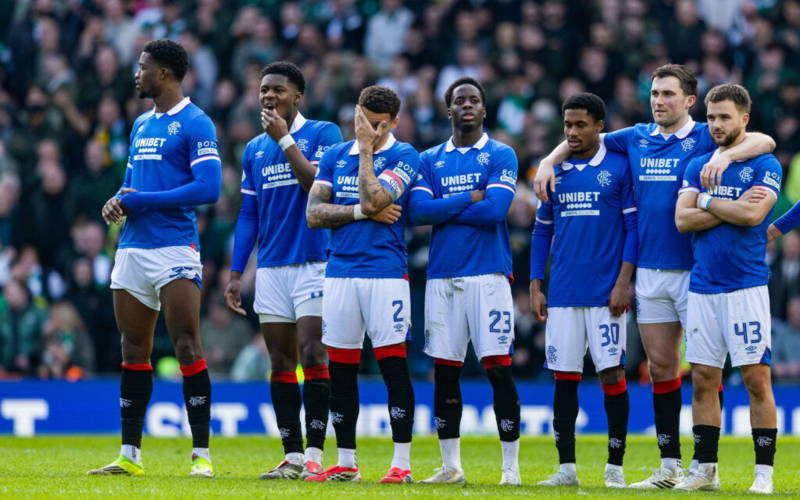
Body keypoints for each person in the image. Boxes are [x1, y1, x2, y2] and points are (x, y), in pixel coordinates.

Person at [533, 64, 775, 488]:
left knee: (706, 370)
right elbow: (582, 137)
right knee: (662, 369)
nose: (659, 101)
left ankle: (707, 465)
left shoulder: (707, 134)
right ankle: (669, 466)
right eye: (655, 94)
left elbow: (764, 140)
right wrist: (549, 161)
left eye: (667, 94)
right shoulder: (636, 137)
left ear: (689, 101)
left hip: (696, 272)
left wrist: (730, 155)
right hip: (649, 271)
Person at [88, 39, 221, 478]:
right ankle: (129, 454)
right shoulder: (141, 124)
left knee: (186, 343)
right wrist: (118, 200)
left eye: (142, 67)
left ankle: (201, 454)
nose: (136, 74)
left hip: (173, 247)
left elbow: (209, 189)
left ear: (163, 74)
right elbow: (132, 185)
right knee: (133, 348)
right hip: (132, 247)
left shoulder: (197, 123)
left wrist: (142, 201)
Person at [225, 61, 343, 480]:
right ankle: (292, 455)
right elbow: (249, 216)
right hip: (272, 268)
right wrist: (238, 272)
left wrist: (287, 140)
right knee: (279, 361)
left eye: (277, 89)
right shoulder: (254, 149)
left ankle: (315, 454)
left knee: (313, 352)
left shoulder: (324, 134)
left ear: (298, 96)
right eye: (263, 91)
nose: (268, 97)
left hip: (315, 261)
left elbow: (318, 187)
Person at [407, 77, 521, 486]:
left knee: (498, 369)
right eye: (460, 101)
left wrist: (446, 207)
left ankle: (511, 468)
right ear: (448, 110)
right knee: (446, 370)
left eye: (474, 99)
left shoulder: (501, 153)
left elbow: (496, 210)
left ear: (484, 109)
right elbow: (418, 213)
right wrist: (468, 198)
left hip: (488, 276)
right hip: (443, 277)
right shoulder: (429, 159)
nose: (467, 105)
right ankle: (451, 467)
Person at [304, 86, 418, 483]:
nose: (366, 129)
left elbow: (377, 198)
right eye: (362, 119)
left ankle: (401, 464)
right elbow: (315, 214)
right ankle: (347, 462)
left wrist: (368, 152)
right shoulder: (334, 156)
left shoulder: (405, 155)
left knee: (392, 367)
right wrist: (359, 212)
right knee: (340, 370)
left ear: (394, 124)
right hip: (339, 273)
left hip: (385, 273)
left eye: (377, 124)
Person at [674, 83, 779, 494]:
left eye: (724, 117)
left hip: (746, 287)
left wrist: (705, 202)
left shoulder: (765, 163)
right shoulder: (696, 164)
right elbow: (682, 221)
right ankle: (705, 471)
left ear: (743, 120)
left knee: (756, 379)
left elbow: (755, 215)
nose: (716, 124)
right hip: (702, 288)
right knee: (702, 377)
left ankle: (764, 474)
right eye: (711, 117)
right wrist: (721, 206)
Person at [530, 93, 637, 488]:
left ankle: (615, 467)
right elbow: (542, 232)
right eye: (567, 125)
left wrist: (624, 282)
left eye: (580, 125)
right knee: (564, 378)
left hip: (605, 294)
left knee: (611, 374)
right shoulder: (553, 172)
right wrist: (536, 285)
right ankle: (566, 469)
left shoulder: (618, 168)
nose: (572, 132)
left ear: (599, 127)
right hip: (562, 295)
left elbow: (633, 230)